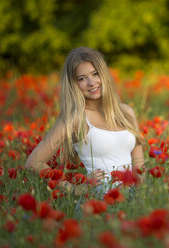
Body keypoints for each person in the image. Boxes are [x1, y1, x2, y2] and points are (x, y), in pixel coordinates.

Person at [25, 46, 145, 197]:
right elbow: (33, 162)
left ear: (104, 74)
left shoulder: (126, 112)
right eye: (82, 78)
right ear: (74, 85)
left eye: (95, 74)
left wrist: (141, 198)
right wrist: (75, 189)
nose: (91, 82)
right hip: (99, 203)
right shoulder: (76, 118)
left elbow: (139, 165)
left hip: (131, 201)